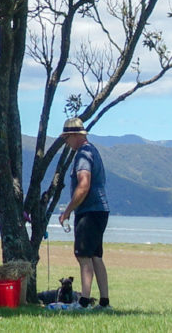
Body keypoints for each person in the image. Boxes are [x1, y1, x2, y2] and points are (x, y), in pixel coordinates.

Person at [58, 117, 110, 310]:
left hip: (89, 211)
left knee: (83, 256)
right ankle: (104, 302)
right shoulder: (93, 150)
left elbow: (84, 185)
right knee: (96, 256)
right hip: (100, 210)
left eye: (66, 138)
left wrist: (68, 211)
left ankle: (84, 302)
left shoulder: (82, 155)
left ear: (74, 136)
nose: (66, 142)